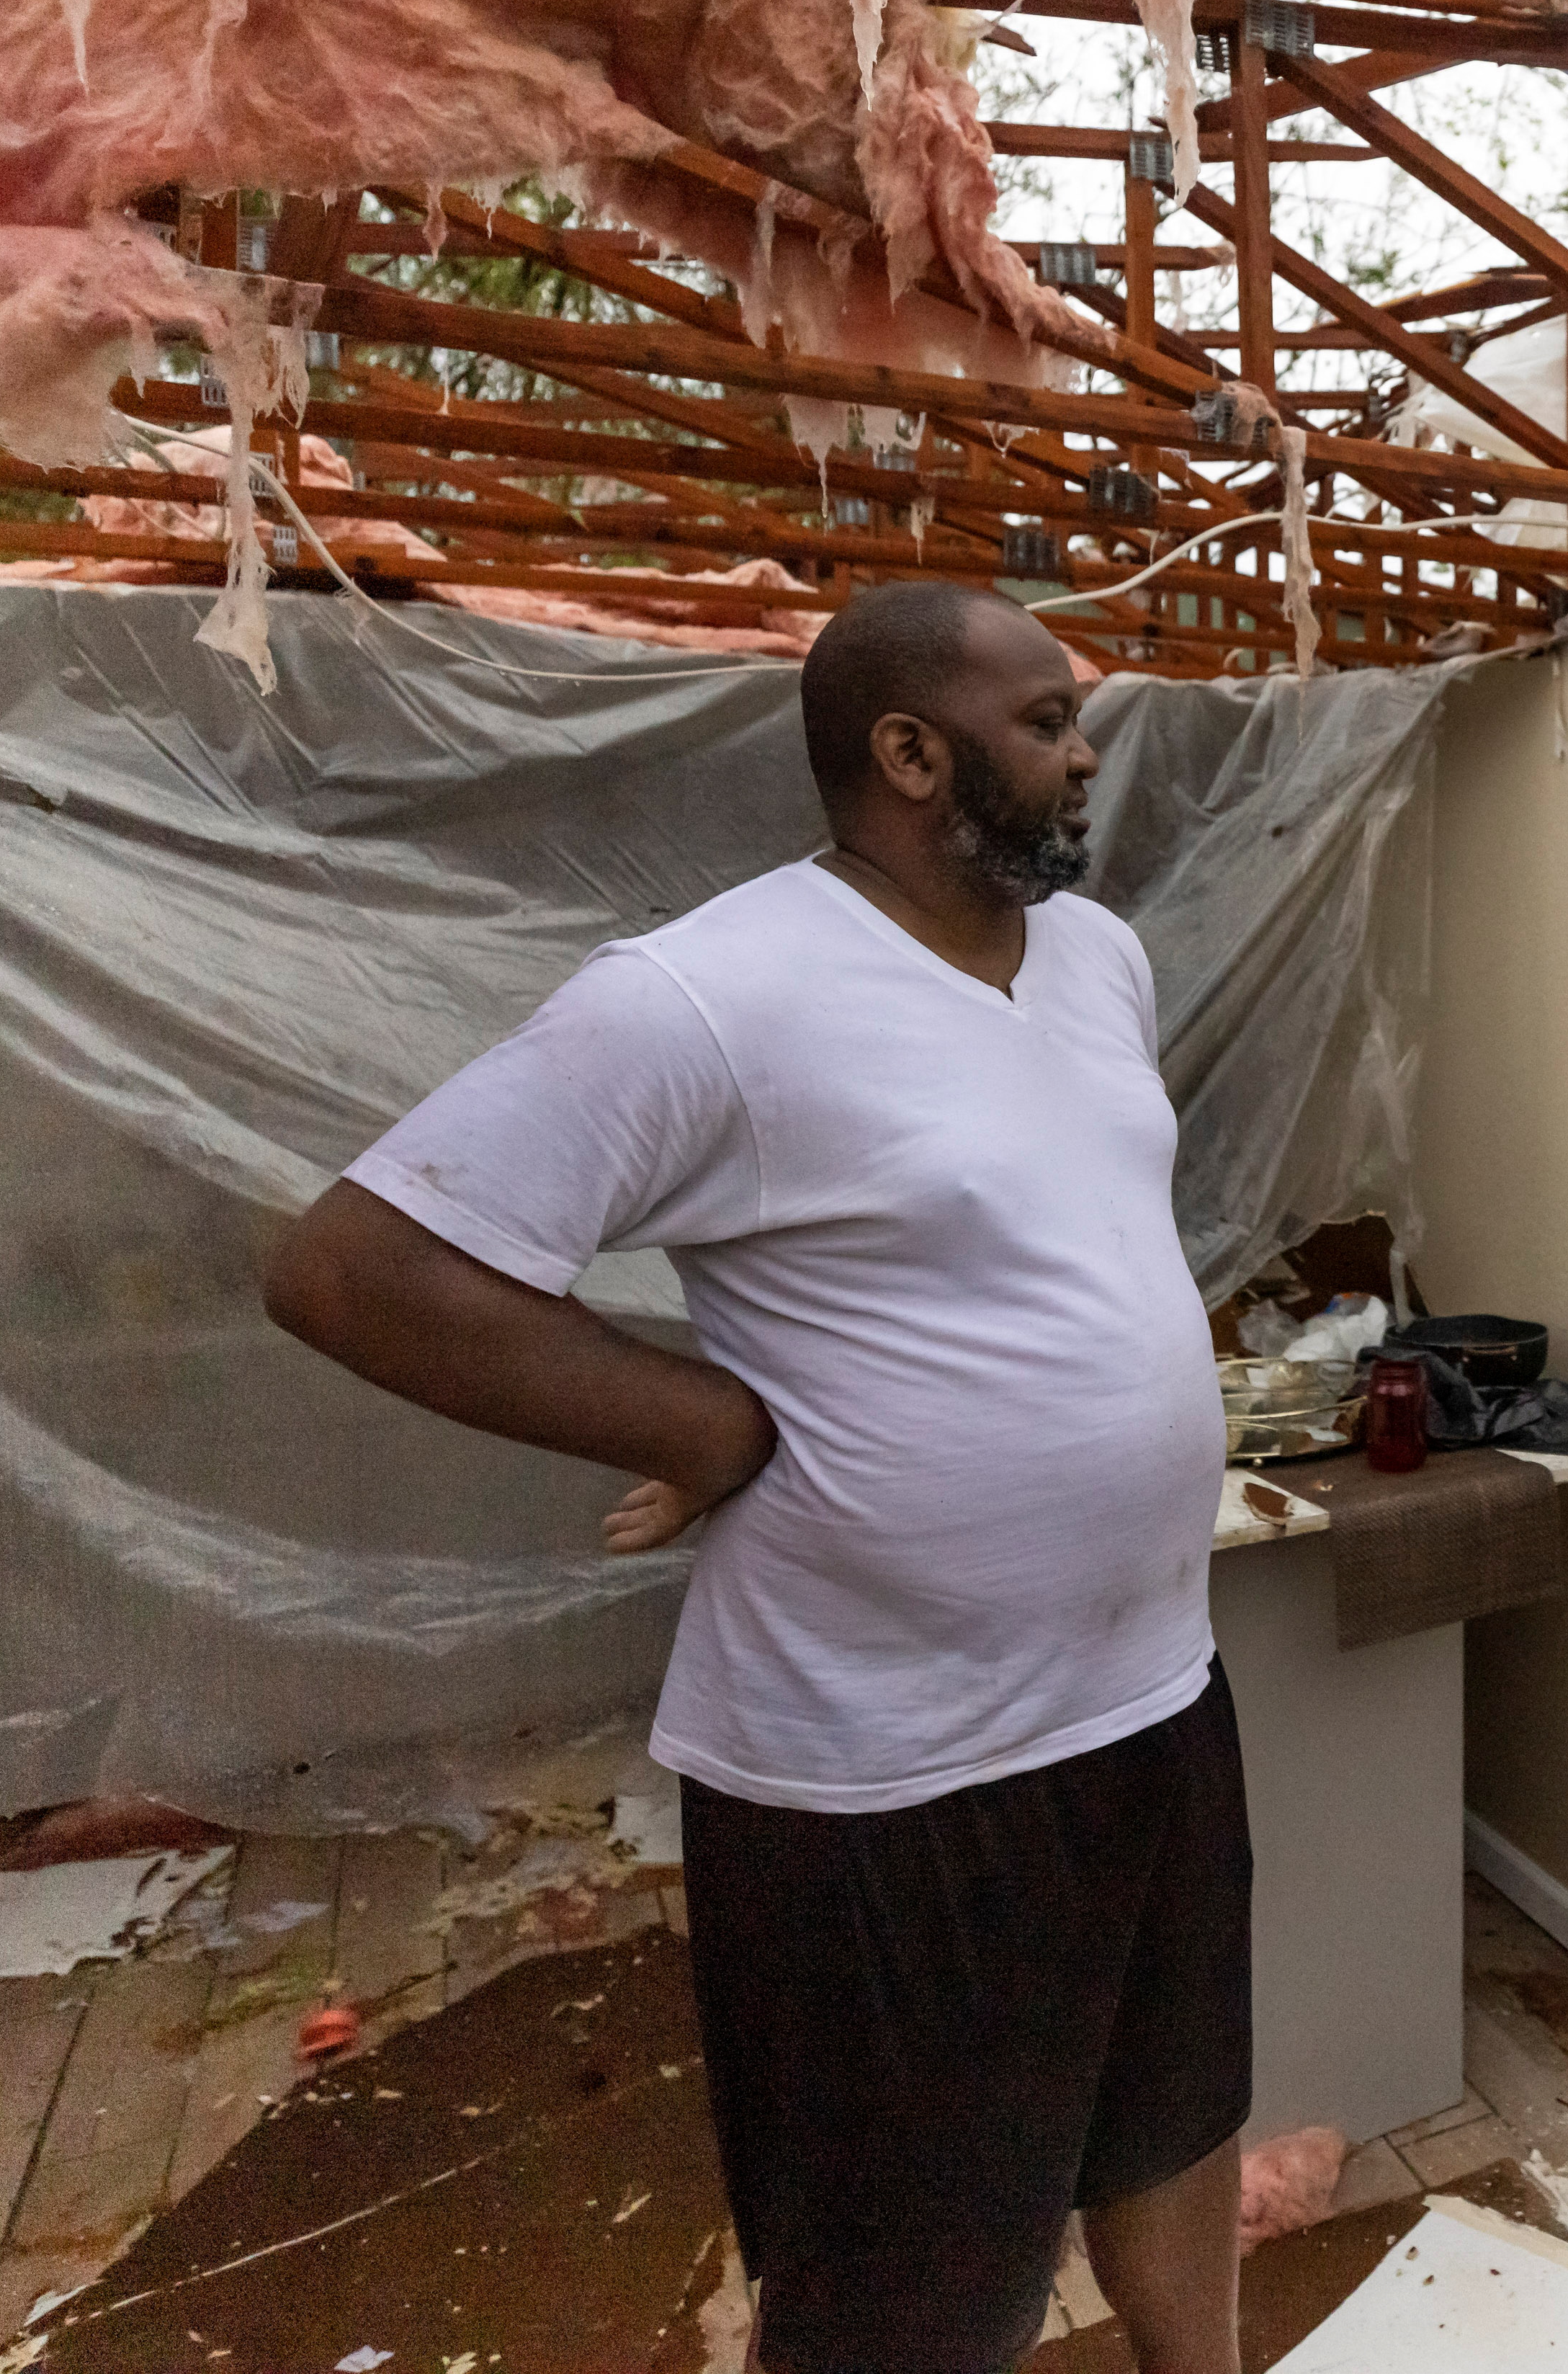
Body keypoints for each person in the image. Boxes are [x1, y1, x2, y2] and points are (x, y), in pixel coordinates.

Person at [264, 581, 1244, 2374]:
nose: (1085, 745)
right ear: (906, 750)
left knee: (1172, 2110)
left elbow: (1052, 1235)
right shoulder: (709, 995)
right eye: (1044, 719)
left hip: (1153, 1694)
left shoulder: (1097, 958)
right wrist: (704, 1425)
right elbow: (358, 1269)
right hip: (893, 1771)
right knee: (908, 2264)